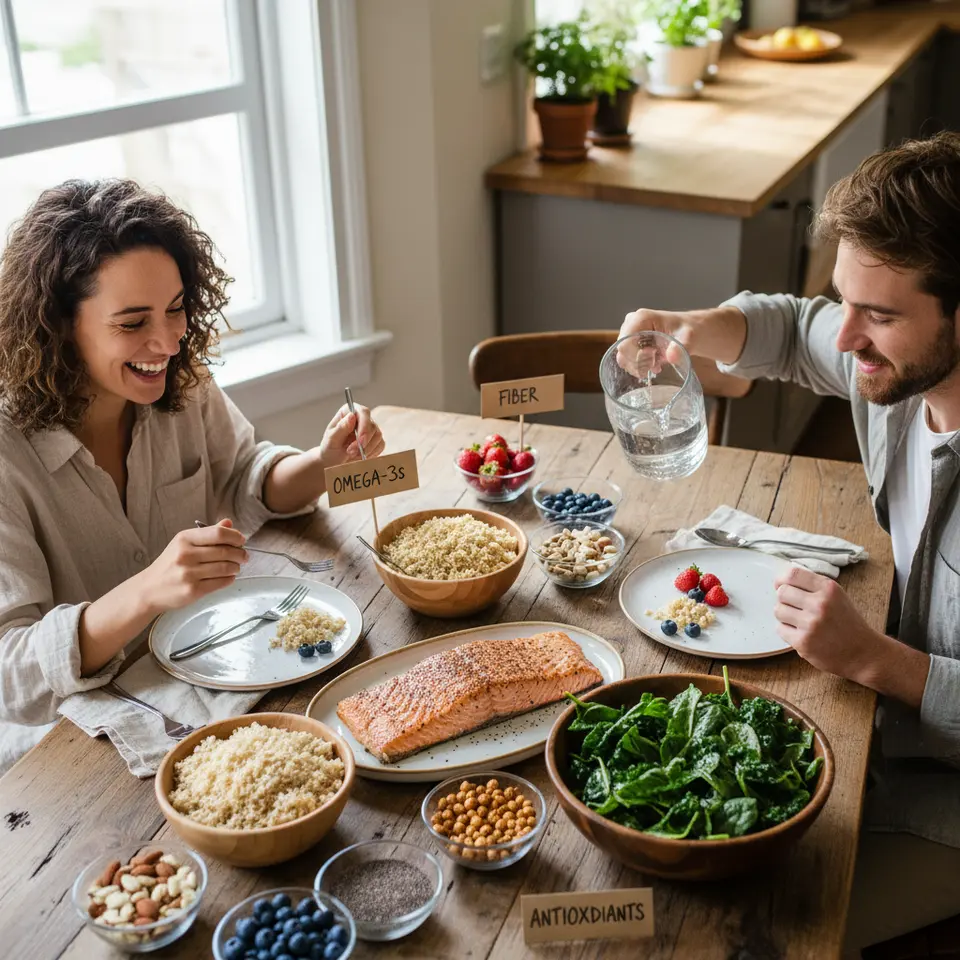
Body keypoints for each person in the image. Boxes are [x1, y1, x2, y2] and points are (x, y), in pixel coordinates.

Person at [619, 131, 960, 955]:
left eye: (879, 315)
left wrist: (881, 661)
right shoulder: (896, 377)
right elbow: (792, 329)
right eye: (847, 298)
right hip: (871, 741)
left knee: (711, 936)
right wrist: (687, 327)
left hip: (939, 813)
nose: (847, 340)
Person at [0, 178, 384, 773]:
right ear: (57, 325)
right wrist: (147, 590)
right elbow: (11, 673)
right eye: (132, 323)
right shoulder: (6, 451)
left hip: (210, 689)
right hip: (68, 752)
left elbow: (245, 475)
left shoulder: (181, 382)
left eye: (176, 309)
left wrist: (322, 465)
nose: (168, 341)